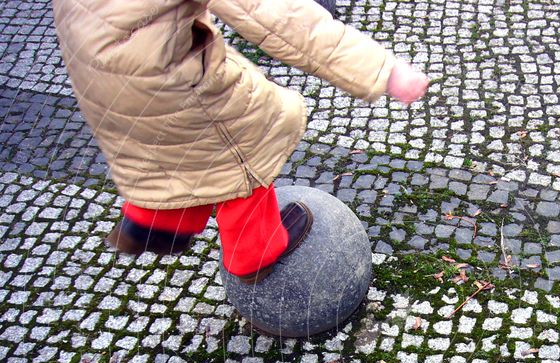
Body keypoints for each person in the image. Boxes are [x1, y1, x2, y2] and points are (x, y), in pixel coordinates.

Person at [52, 0, 429, 283]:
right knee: (244, 141)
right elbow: (277, 15)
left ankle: (156, 220)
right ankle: (254, 253)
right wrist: (382, 69)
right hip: (167, 79)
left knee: (173, 144)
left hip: (99, 75)